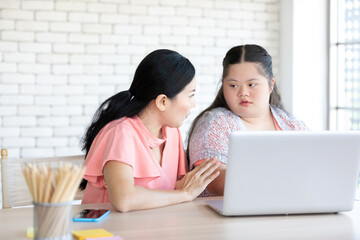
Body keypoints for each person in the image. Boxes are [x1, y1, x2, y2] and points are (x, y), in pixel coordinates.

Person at [80, 49, 220, 212]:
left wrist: (182, 189)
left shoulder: (172, 133)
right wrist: (184, 194)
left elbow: (173, 191)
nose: (193, 104)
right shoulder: (121, 133)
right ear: (162, 101)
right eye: (190, 95)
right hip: (107, 233)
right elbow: (124, 200)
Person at [187, 44, 308, 196]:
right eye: (233, 85)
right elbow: (217, 181)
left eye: (252, 84)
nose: (243, 92)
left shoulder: (293, 125)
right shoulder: (214, 123)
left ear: (271, 85)